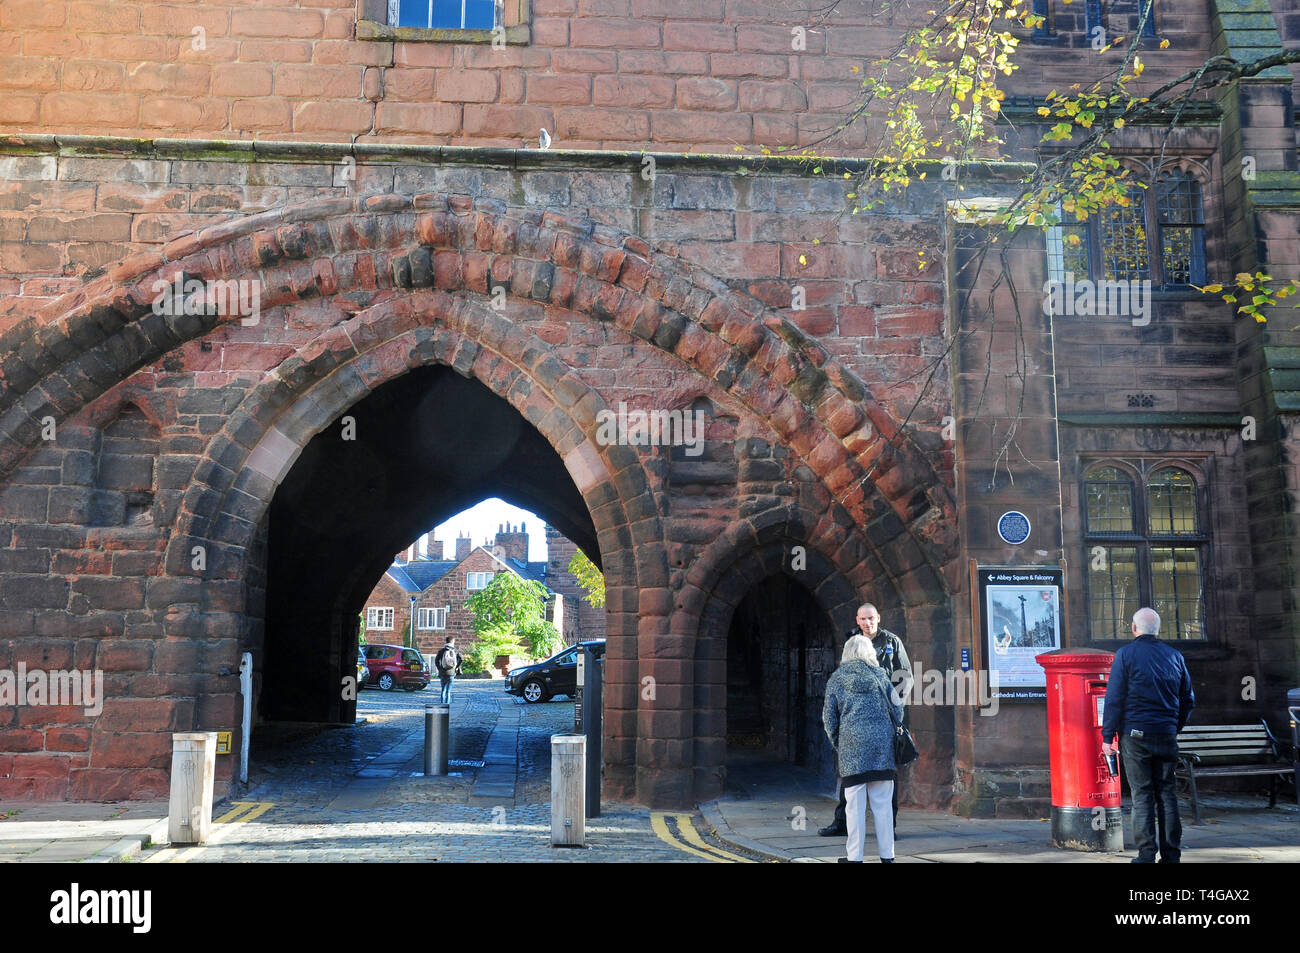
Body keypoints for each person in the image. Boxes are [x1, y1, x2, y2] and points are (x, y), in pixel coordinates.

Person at [1101, 607, 1195, 863]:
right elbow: (1188, 699)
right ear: (1158, 629)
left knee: (1142, 794)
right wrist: (1173, 727)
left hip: (1136, 735)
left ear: (1134, 628)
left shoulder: (1125, 655)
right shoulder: (1174, 656)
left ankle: (1145, 855)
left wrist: (1108, 737)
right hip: (1166, 734)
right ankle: (1171, 855)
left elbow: (1114, 698)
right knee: (1167, 793)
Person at [820, 603, 913, 836]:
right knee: (850, 771)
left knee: (888, 774)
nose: (867, 623)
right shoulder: (852, 639)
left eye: (871, 618)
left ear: (878, 618)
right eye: (863, 619)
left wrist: (893, 706)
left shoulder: (892, 642)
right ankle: (842, 823)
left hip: (885, 716)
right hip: (857, 716)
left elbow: (905, 677)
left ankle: (889, 827)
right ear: (857, 619)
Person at [822, 635, 902, 863]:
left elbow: (829, 719)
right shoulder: (881, 676)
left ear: (847, 653)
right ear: (870, 653)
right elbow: (898, 710)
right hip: (882, 749)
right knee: (883, 807)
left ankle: (855, 858)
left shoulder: (837, 679)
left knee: (854, 809)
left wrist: (839, 741)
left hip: (852, 748)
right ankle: (887, 857)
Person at [435, 636, 463, 706]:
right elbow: (461, 659)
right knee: (448, 691)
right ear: (453, 642)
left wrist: (439, 668)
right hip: (451, 673)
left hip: (443, 673)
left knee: (443, 690)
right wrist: (456, 667)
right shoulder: (455, 651)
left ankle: (442, 705)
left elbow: (436, 661)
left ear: (446, 641)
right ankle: (447, 706)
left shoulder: (442, 651)